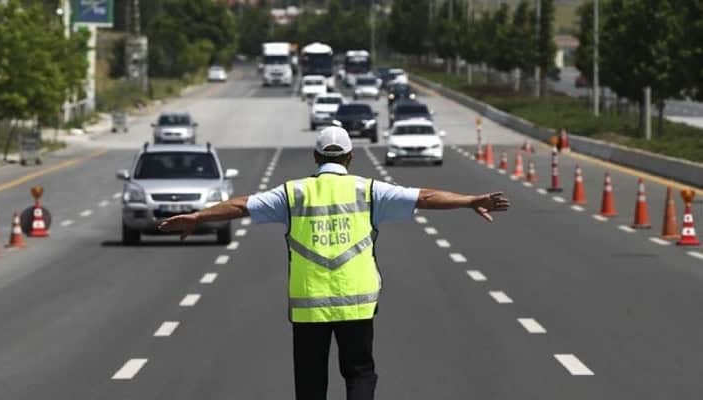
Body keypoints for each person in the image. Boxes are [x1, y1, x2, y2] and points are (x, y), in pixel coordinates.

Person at [158, 126, 510, 400]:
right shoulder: (369, 190)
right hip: (357, 302)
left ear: (315, 156)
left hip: (309, 306)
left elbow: (240, 205)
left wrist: (198, 217)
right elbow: (425, 197)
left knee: (311, 383)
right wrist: (469, 200)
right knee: (359, 373)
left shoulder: (293, 193)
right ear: (350, 157)